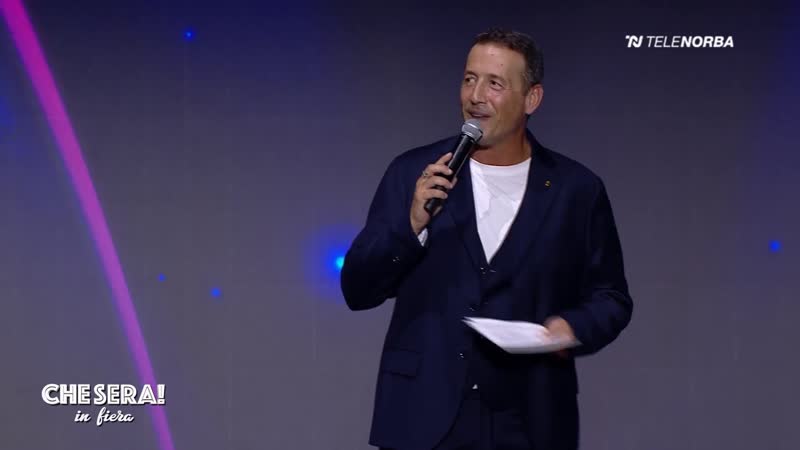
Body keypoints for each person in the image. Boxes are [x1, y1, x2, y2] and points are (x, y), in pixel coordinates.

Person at [341, 28, 633, 450]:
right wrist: (412, 224)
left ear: (532, 99)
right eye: (469, 79)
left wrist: (571, 328)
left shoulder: (576, 190)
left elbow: (611, 297)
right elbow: (358, 288)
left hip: (529, 420)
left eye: (495, 83)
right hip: (423, 417)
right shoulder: (413, 173)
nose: (475, 96)